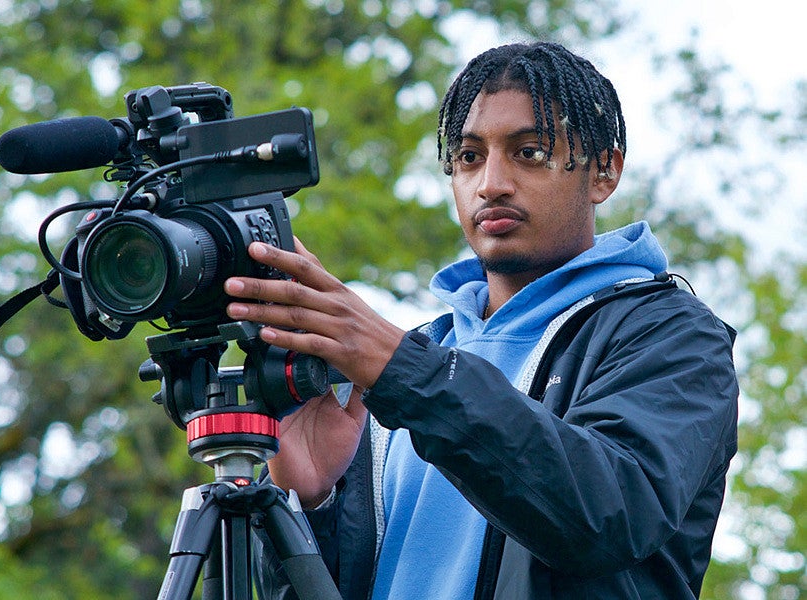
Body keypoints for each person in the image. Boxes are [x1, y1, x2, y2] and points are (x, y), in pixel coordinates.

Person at [223, 41, 739, 600]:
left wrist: (405, 370)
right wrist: (313, 504)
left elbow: (611, 515)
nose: (491, 182)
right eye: (469, 157)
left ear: (605, 171)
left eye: (531, 152)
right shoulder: (410, 359)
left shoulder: (673, 334)